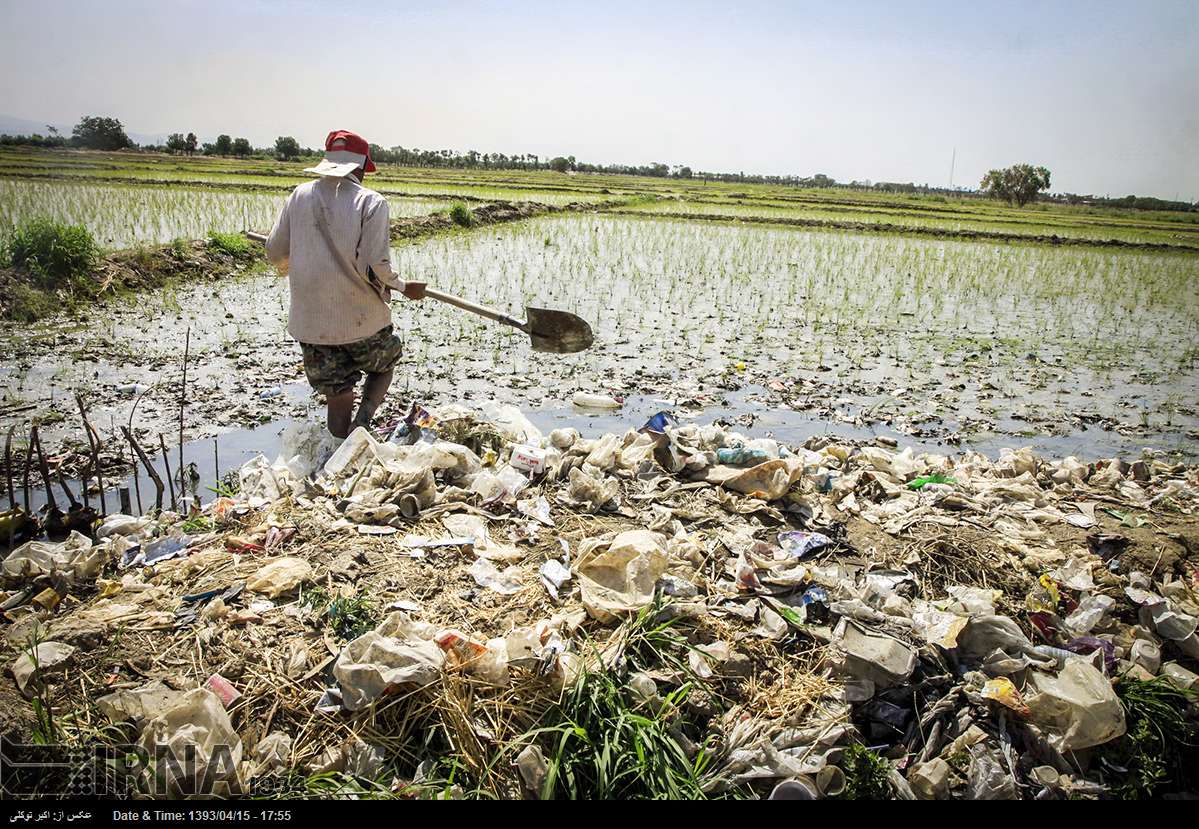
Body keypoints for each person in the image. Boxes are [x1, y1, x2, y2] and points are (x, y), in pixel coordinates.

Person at [265, 130, 426, 438]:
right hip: (361, 319)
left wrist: (298, 260)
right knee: (384, 363)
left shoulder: (299, 195)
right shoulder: (371, 202)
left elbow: (274, 251)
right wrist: (405, 287)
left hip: (312, 324)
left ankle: (341, 448)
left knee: (337, 390)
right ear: (362, 166)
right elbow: (375, 265)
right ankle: (363, 421)